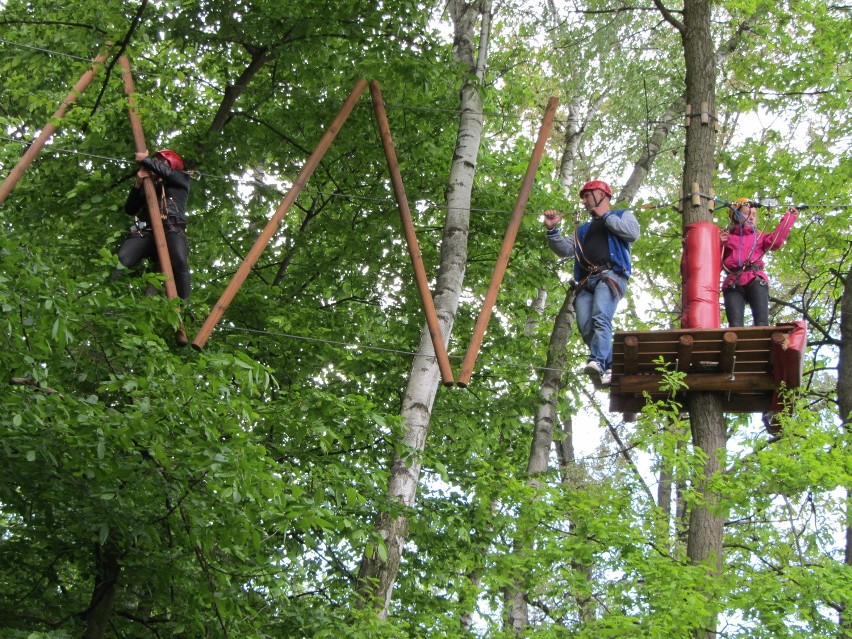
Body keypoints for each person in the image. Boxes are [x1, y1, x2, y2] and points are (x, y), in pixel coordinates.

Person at [543, 180, 640, 388]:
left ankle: (597, 360)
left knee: (600, 316)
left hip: (611, 275)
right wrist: (553, 231)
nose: (584, 201)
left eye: (587, 195)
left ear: (601, 195)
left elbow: (632, 234)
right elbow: (565, 250)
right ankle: (611, 365)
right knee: (586, 327)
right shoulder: (584, 229)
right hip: (586, 282)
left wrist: (605, 217)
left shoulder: (622, 215)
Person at [117, 149, 191, 300]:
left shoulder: (181, 178)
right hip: (145, 228)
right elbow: (130, 209)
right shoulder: (149, 186)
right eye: (154, 160)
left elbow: (168, 173)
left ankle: (184, 304)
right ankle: (108, 300)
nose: (155, 164)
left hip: (172, 226)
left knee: (179, 261)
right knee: (122, 260)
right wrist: (138, 185)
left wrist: (145, 160)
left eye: (159, 161)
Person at [720, 198, 798, 327]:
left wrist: (788, 217)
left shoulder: (760, 237)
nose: (751, 217)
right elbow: (714, 263)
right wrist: (718, 242)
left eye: (754, 215)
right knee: (735, 325)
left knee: (762, 323)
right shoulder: (727, 238)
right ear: (735, 216)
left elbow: (776, 242)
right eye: (746, 213)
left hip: (755, 279)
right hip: (733, 281)